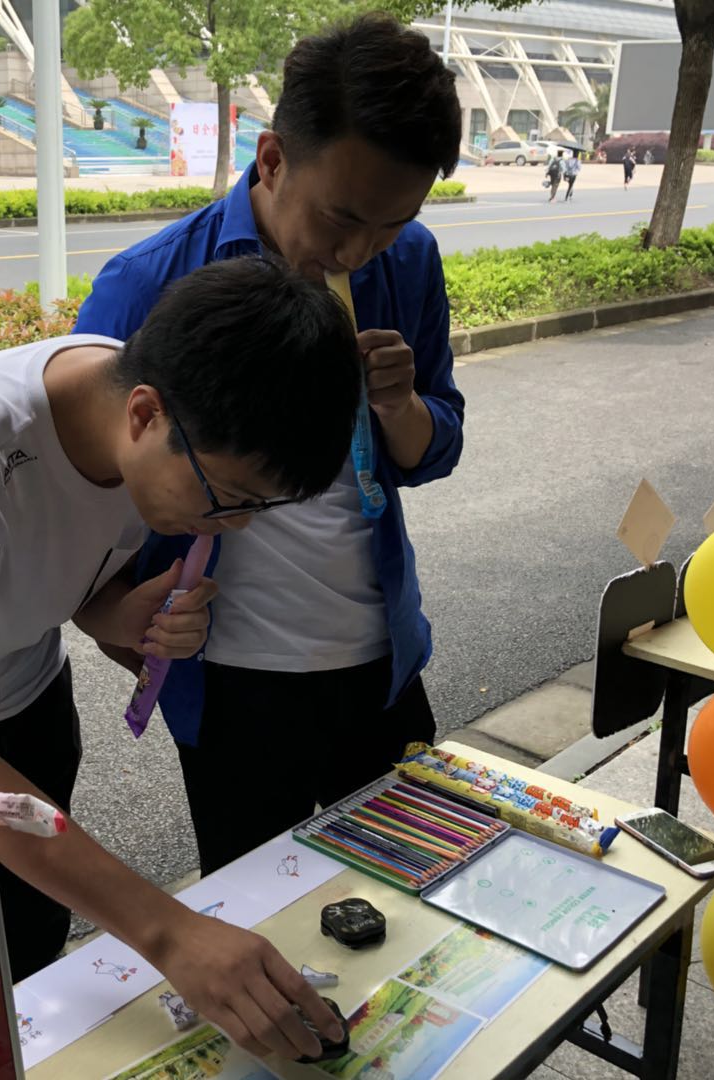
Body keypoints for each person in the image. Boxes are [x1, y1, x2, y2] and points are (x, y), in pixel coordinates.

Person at [0, 256, 363, 1061]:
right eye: (229, 498)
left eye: (257, 507)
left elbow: (63, 570)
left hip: (22, 686)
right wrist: (171, 934)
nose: (234, 525)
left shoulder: (141, 411)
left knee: (27, 940)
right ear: (144, 414)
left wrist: (115, 614)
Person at [73, 13, 464, 880]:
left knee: (419, 900)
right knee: (260, 917)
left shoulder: (407, 262)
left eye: (392, 224)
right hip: (230, 684)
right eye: (341, 218)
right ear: (274, 159)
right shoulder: (148, 282)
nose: (357, 252)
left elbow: (435, 445)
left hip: (381, 665)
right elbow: (83, 493)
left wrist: (399, 406)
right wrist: (115, 620)